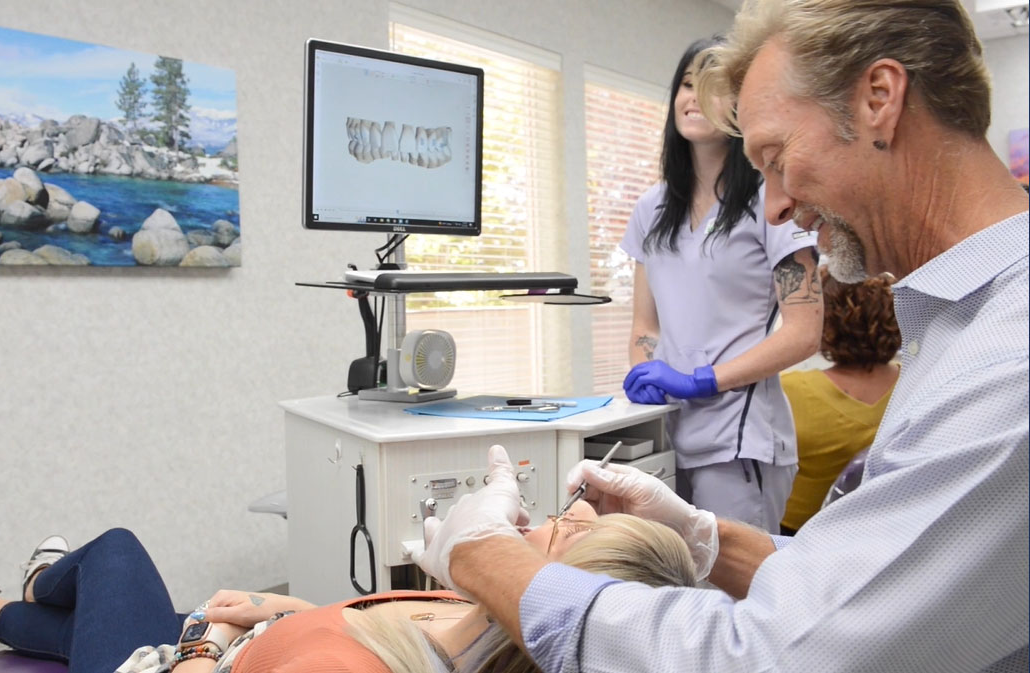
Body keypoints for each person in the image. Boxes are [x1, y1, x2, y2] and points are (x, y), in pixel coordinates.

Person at [412, 1, 1029, 672]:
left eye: (776, 155)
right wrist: (708, 540)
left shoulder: (1007, 359)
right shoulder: (961, 325)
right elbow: (873, 587)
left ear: (879, 98)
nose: (774, 207)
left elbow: (774, 654)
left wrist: (482, 552)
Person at [0, 449, 695, 673]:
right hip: (245, 641)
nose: (526, 522)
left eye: (555, 526)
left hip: (171, 665)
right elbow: (363, 628)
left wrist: (207, 644)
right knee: (82, 608)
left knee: (113, 551)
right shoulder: (471, 623)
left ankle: (19, 588)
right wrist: (283, 613)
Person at [619, 36, 823, 534]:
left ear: (741, 106)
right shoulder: (652, 208)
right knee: (672, 590)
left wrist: (703, 380)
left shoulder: (770, 199)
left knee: (735, 598)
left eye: (711, 86)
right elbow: (645, 324)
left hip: (741, 439)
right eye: (686, 84)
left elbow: (804, 331)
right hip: (668, 439)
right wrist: (647, 374)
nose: (693, 97)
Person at [780, 268, 901, 532]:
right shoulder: (918, 382)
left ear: (825, 321)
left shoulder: (790, 391)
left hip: (797, 537)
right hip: (886, 532)